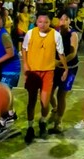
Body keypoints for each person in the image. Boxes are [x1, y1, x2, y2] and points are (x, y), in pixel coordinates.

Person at [22, 11, 68, 144]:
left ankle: (42, 122)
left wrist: (65, 68)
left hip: (48, 71)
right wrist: (25, 64)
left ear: (50, 22)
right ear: (36, 22)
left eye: (46, 22)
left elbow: (61, 53)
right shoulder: (30, 33)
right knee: (31, 101)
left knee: (45, 102)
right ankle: (30, 127)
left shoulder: (55, 35)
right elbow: (24, 48)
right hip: (33, 71)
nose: (43, 24)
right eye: (40, 21)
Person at [0, 10, 21, 137]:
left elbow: (11, 53)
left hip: (12, 68)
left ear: (3, 22)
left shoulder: (4, 35)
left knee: (2, 95)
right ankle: (11, 113)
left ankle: (2, 122)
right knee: (6, 92)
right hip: (4, 67)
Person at [49, 12, 79, 134]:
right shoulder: (55, 33)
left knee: (61, 95)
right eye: (61, 19)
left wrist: (59, 62)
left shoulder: (73, 35)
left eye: (66, 19)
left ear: (69, 21)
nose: (63, 21)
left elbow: (72, 54)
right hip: (56, 66)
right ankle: (56, 108)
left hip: (70, 67)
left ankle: (59, 121)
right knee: (48, 92)